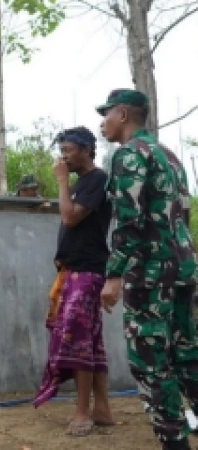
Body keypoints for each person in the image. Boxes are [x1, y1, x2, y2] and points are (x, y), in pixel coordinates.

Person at [99, 89, 198, 450]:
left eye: (106, 114)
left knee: (152, 363)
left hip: (151, 276)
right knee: (187, 356)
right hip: (183, 270)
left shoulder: (128, 155)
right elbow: (183, 215)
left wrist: (113, 275)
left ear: (123, 114)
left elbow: (129, 220)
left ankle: (174, 442)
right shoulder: (169, 156)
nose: (102, 122)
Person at [32, 126, 114, 436]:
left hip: (87, 271)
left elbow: (69, 218)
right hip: (74, 270)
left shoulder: (96, 180)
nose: (63, 155)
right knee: (91, 340)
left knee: (79, 341)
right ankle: (102, 407)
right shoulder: (83, 183)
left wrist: (62, 181)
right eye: (62, 149)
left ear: (87, 149)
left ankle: (82, 413)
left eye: (68, 149)